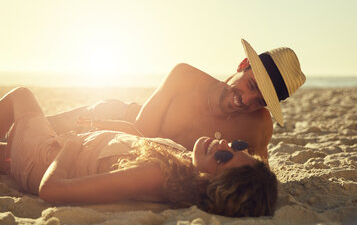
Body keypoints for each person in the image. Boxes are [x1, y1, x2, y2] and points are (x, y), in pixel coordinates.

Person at [0, 87, 278, 217]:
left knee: (22, 96)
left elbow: (52, 190)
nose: (223, 144)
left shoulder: (158, 175)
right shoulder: (182, 165)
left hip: (46, 158)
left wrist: (70, 146)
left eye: (224, 157)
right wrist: (104, 126)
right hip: (54, 151)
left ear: (213, 184)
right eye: (236, 146)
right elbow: (136, 140)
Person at [47, 39, 306, 162]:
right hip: (115, 119)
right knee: (32, 126)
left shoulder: (259, 126)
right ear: (242, 65)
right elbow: (140, 135)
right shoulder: (184, 76)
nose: (246, 100)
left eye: (260, 101)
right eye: (251, 85)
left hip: (130, 150)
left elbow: (260, 174)